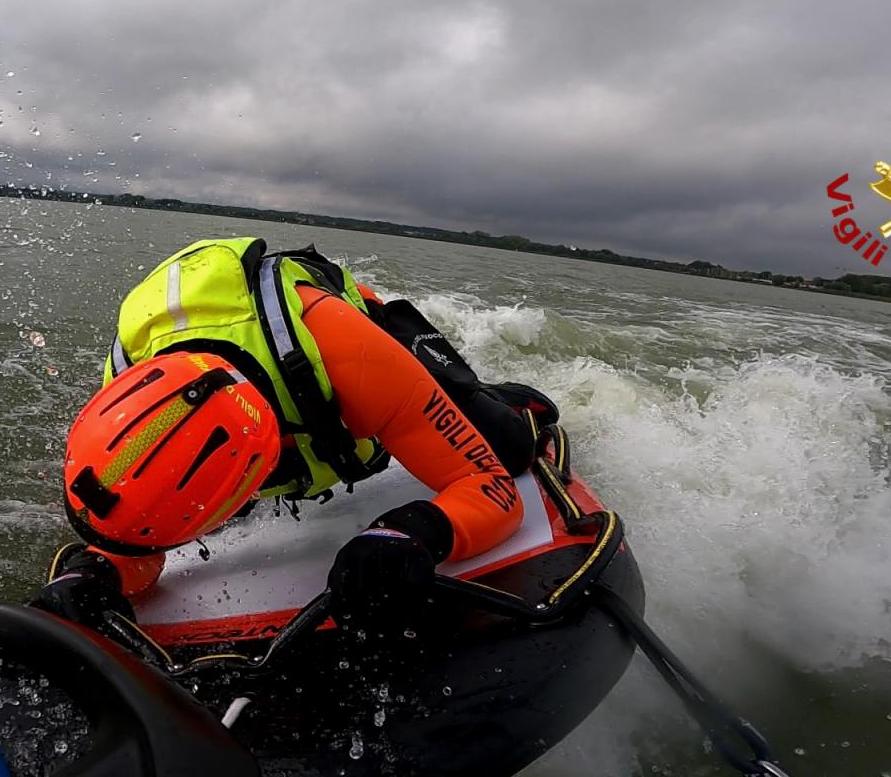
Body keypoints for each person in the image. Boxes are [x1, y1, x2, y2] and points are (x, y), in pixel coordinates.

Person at [31, 237, 557, 631]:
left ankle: (504, 396)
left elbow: (490, 486)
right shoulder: (128, 386)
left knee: (508, 447)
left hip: (346, 323)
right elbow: (136, 534)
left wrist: (409, 534)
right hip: (223, 332)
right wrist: (95, 574)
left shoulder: (349, 352)